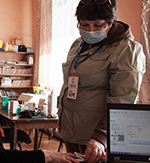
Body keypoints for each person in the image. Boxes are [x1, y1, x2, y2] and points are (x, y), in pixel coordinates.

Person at [57, 0, 145, 163]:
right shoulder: (78, 44)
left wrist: (101, 137)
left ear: (110, 23)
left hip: (96, 139)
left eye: (98, 25)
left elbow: (122, 100)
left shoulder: (126, 49)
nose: (90, 30)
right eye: (84, 25)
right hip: (72, 131)